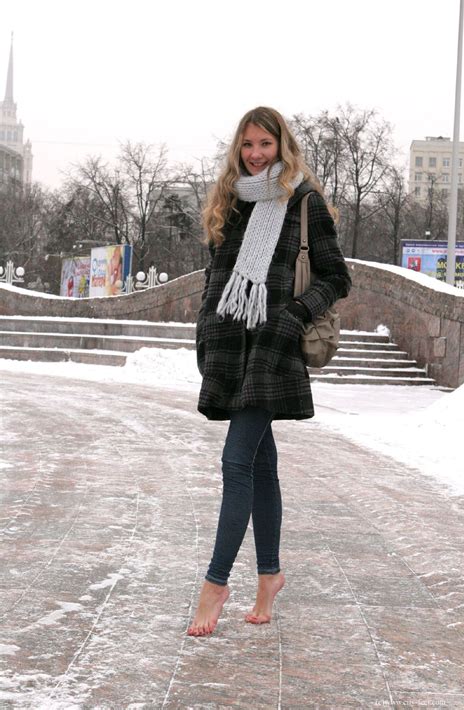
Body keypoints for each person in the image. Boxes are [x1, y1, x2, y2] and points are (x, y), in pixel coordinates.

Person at [188, 107, 351, 637]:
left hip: (271, 347)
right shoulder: (229, 200)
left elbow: (336, 277)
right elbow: (217, 278)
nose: (256, 153)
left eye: (265, 144)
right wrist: (204, 332)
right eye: (248, 145)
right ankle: (270, 575)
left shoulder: (303, 200)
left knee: (235, 463)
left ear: (282, 146)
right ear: (238, 149)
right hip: (230, 346)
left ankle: (215, 584)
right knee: (260, 467)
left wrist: (292, 316)